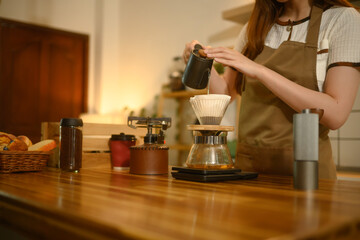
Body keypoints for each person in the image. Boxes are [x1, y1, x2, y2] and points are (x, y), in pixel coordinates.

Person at [183, 0, 360, 179]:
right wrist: (203, 60)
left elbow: (336, 113)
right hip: (249, 171)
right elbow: (225, 93)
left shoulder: (341, 19)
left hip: (307, 174)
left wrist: (260, 71)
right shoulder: (253, 27)